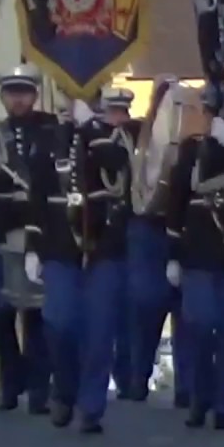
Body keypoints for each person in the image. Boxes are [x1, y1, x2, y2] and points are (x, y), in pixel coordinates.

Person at [24, 94, 130, 434]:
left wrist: (89, 126)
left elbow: (116, 164)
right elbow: (37, 197)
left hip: (104, 247)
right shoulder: (48, 137)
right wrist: (33, 247)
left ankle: (91, 407)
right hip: (59, 246)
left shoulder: (111, 135)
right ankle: (65, 389)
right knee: (60, 323)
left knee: (99, 332)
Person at [164, 83, 224, 430]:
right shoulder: (192, 150)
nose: (218, 118)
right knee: (200, 325)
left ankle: (223, 406)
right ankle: (199, 397)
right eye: (212, 112)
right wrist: (173, 254)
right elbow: (176, 200)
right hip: (200, 252)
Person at [0, 64, 55, 414]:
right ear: (3, 97)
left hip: (39, 229)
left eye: (24, 92)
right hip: (1, 230)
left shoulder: (50, 129)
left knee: (38, 314)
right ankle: (11, 382)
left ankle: (40, 387)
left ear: (35, 94)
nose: (18, 98)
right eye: (12, 92)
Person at [123, 77, 192, 407]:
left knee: (186, 312)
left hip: (183, 225)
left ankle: (186, 386)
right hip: (147, 225)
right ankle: (137, 378)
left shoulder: (192, 133)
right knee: (145, 306)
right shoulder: (140, 132)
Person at [100, 87, 138, 401]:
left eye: (122, 112)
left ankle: (127, 377)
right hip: (102, 235)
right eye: (113, 112)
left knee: (128, 314)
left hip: (129, 232)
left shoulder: (132, 141)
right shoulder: (93, 142)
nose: (118, 119)